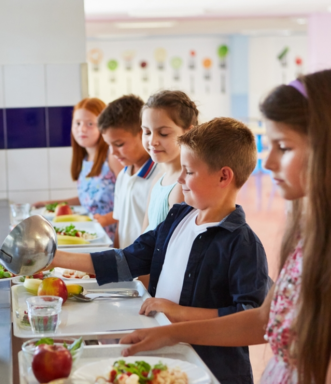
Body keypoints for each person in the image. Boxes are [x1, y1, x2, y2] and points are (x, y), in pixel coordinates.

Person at [119, 70, 331, 384]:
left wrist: (174, 324)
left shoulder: (241, 240)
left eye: (283, 148)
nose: (268, 163)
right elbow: (262, 320)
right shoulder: (308, 235)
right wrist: (168, 333)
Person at [51, 117, 270, 383]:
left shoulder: (243, 244)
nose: (180, 178)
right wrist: (54, 258)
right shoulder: (178, 217)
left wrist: (179, 312)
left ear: (224, 176)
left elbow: (248, 318)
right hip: (169, 356)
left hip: (213, 371)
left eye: (188, 171)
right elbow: (128, 259)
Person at [35, 98, 122, 239]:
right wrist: (49, 204)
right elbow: (87, 199)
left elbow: (131, 202)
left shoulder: (113, 157)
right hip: (91, 235)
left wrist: (105, 220)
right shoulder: (85, 159)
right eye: (77, 123)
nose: (82, 129)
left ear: (104, 125)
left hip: (110, 239)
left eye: (90, 124)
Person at [98, 94, 160, 248]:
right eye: (109, 145)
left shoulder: (161, 176)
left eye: (119, 144)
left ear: (143, 133)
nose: (113, 152)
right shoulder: (123, 176)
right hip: (127, 268)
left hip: (146, 270)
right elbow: (121, 224)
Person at [141, 90, 198, 233]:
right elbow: (143, 235)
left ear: (188, 133)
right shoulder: (158, 179)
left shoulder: (183, 186)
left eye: (163, 134)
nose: (152, 141)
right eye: (147, 132)